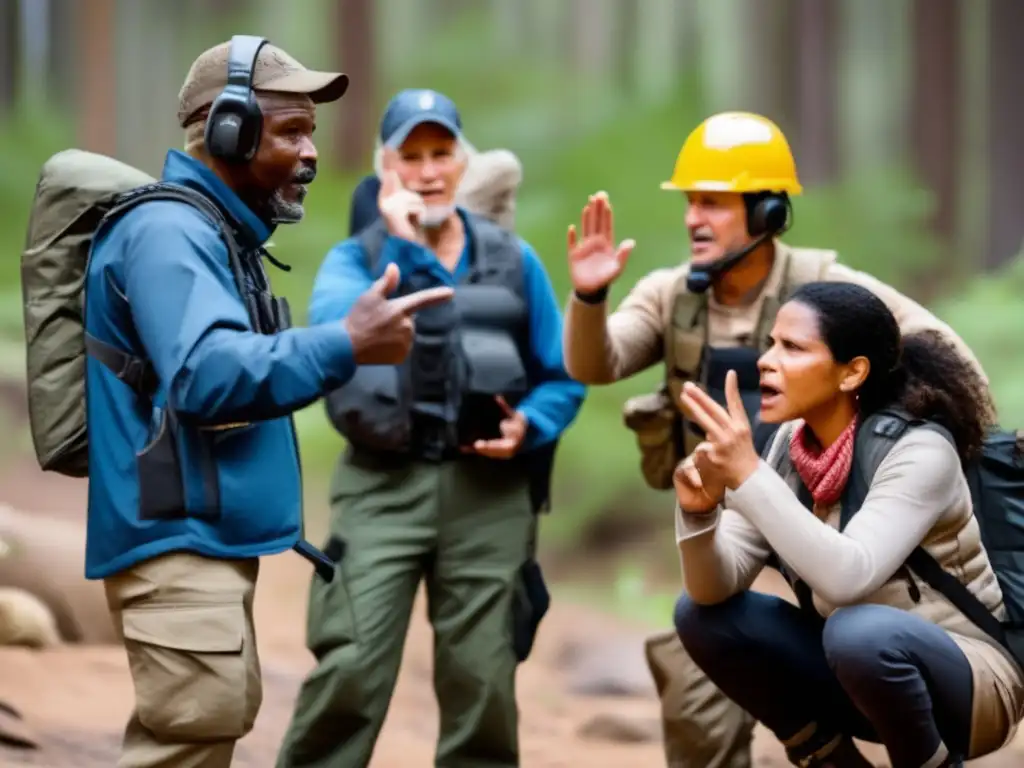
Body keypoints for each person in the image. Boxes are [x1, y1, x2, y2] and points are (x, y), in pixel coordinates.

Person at [561, 111, 990, 768]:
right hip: (758, 496)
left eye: (713, 201)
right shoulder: (677, 300)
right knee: (702, 661)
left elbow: (945, 360)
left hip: (868, 563)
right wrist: (589, 300)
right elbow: (596, 365)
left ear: (765, 209)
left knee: (859, 632)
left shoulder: (830, 292)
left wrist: (911, 444)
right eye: (689, 202)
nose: (693, 218)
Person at [83, 39, 452, 768]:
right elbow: (208, 375)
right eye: (290, 131)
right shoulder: (169, 233)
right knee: (184, 740)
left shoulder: (212, 232)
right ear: (227, 130)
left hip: (198, 538)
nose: (311, 153)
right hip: (174, 539)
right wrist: (343, 343)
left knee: (203, 730)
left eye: (310, 131)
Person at [276, 88, 586, 768]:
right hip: (382, 488)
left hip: (489, 495)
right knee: (351, 667)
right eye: (409, 156)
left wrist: (530, 426)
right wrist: (408, 244)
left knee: (483, 683)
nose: (426, 171)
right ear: (384, 167)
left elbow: (564, 374)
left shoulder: (514, 260)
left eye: (440, 153)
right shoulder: (351, 262)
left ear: (461, 162)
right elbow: (339, 334)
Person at [672, 281, 1024, 768]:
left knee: (856, 630)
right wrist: (699, 513)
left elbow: (848, 576)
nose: (766, 360)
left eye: (792, 347)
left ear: (851, 372)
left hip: (973, 687)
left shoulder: (920, 451)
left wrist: (749, 475)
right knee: (700, 614)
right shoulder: (788, 447)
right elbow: (713, 590)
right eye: (772, 343)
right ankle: (830, 759)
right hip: (858, 673)